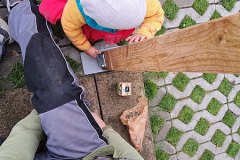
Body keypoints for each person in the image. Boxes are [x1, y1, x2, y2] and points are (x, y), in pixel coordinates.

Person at [0, 0, 144, 159]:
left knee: (54, 99)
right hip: (87, 153)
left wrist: (41, 114)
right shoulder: (77, 11)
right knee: (56, 90)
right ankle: (20, 12)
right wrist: (104, 129)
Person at [60, 0, 164, 58]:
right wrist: (86, 47)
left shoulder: (147, 3)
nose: (118, 30)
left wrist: (144, 32)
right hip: (86, 22)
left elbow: (156, 15)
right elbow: (71, 30)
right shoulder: (74, 11)